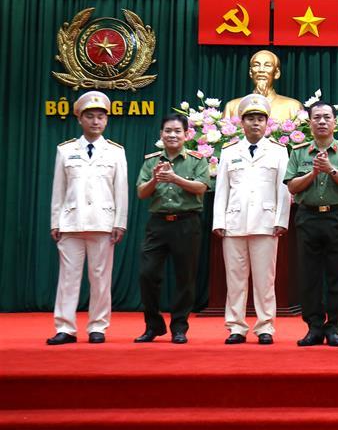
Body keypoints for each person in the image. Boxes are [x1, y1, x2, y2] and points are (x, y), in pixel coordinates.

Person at [47, 91, 128, 345]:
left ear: (106, 121)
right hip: (71, 222)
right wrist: (55, 222)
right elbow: (58, 190)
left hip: (103, 223)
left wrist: (119, 222)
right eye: (90, 116)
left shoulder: (116, 151)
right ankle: (65, 327)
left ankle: (98, 326)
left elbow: (121, 190)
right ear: (79, 119)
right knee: (68, 278)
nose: (95, 121)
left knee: (101, 278)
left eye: (100, 117)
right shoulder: (66, 150)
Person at [213, 94, 291, 345]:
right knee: (234, 279)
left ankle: (265, 325)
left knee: (265, 279)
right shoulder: (229, 151)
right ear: (241, 123)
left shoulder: (279, 151)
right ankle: (236, 326)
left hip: (266, 223)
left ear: (267, 123)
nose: (255, 123)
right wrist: (218, 221)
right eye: (250, 119)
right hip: (234, 222)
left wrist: (282, 219)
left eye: (260, 119)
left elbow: (284, 189)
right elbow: (222, 189)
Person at [285, 101, 338, 347]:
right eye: (316, 117)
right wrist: (312, 174)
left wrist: (330, 170)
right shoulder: (298, 152)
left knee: (336, 274)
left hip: (337, 217)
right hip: (307, 217)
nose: (321, 121)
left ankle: (335, 328)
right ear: (309, 123)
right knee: (309, 276)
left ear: (334, 123)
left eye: (326, 117)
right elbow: (291, 186)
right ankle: (314, 327)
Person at [134, 114, 211, 344]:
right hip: (157, 223)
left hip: (187, 223)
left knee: (184, 278)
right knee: (147, 274)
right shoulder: (151, 161)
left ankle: (179, 327)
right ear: (161, 134)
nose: (172, 135)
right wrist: (156, 180)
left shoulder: (197, 160)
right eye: (168, 131)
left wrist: (175, 178)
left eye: (177, 131)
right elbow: (141, 193)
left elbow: (201, 187)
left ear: (187, 134)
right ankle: (153, 326)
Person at [223, 49, 303, 122]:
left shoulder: (293, 106)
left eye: (267, 66)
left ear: (276, 73)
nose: (261, 70)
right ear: (251, 72)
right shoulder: (232, 106)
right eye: (256, 65)